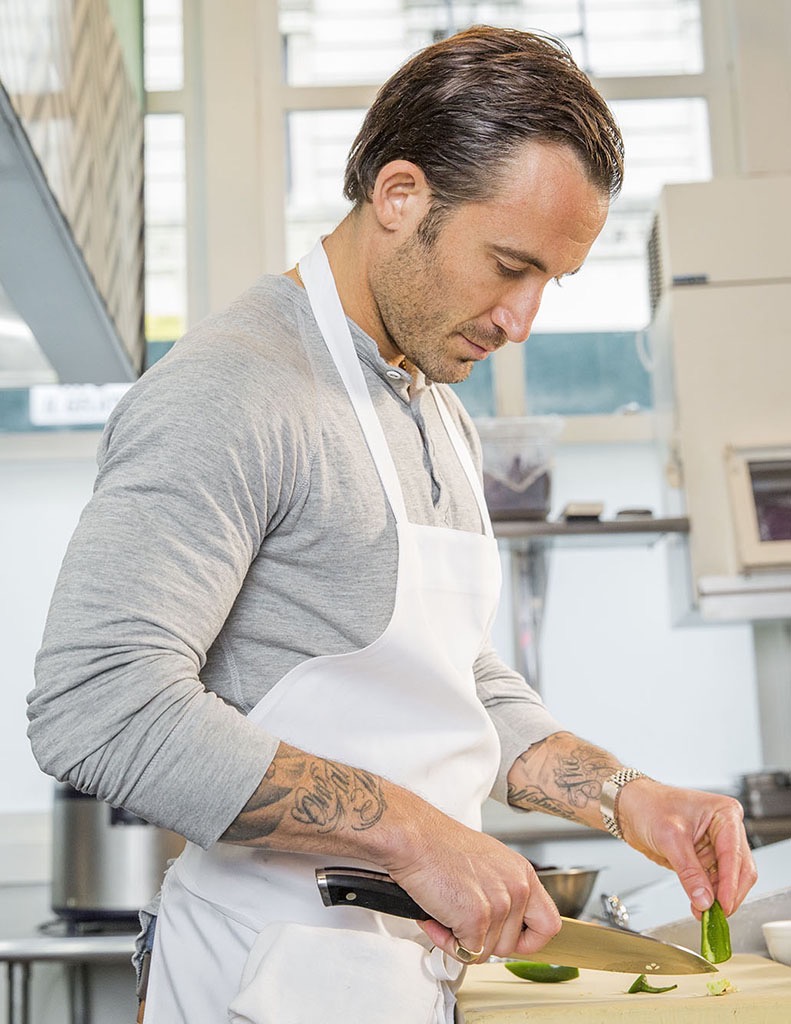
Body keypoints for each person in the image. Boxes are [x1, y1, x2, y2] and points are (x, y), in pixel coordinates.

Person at [28, 24, 756, 1024]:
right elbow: (94, 704)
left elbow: (453, 679)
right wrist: (415, 835)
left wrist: (623, 795)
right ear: (400, 194)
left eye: (551, 280)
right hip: (255, 985)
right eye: (508, 264)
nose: (520, 321)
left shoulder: (430, 402)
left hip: (397, 986)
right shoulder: (230, 389)